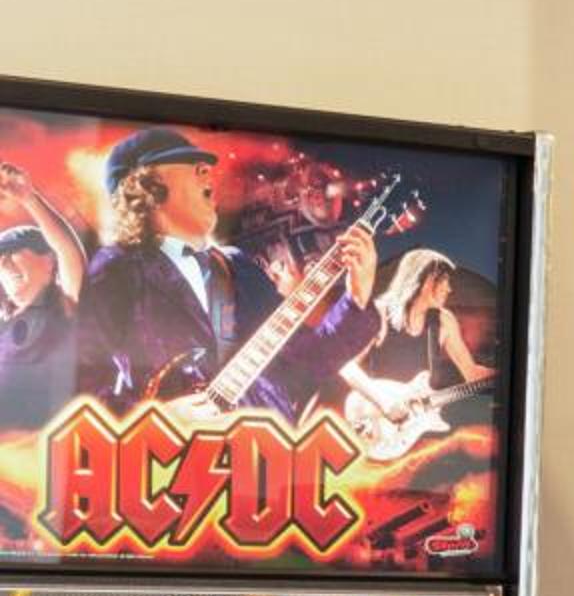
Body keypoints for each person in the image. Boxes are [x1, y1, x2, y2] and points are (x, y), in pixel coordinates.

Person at [72, 127, 376, 417]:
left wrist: (357, 298)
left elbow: (306, 361)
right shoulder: (117, 268)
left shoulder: (237, 265)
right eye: (189, 164)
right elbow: (81, 383)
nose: (206, 169)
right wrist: (158, 418)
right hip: (176, 452)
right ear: (145, 186)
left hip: (264, 445)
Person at [344, 247, 498, 433]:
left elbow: (471, 373)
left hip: (412, 423)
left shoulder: (443, 320)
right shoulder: (380, 313)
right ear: (426, 281)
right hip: (373, 419)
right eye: (444, 281)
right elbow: (345, 365)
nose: (449, 289)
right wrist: (383, 402)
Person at [0, 163, 83, 432]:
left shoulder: (64, 305)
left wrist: (29, 198)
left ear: (49, 260)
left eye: (13, 253)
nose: (4, 265)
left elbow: (68, 251)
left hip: (50, 446)